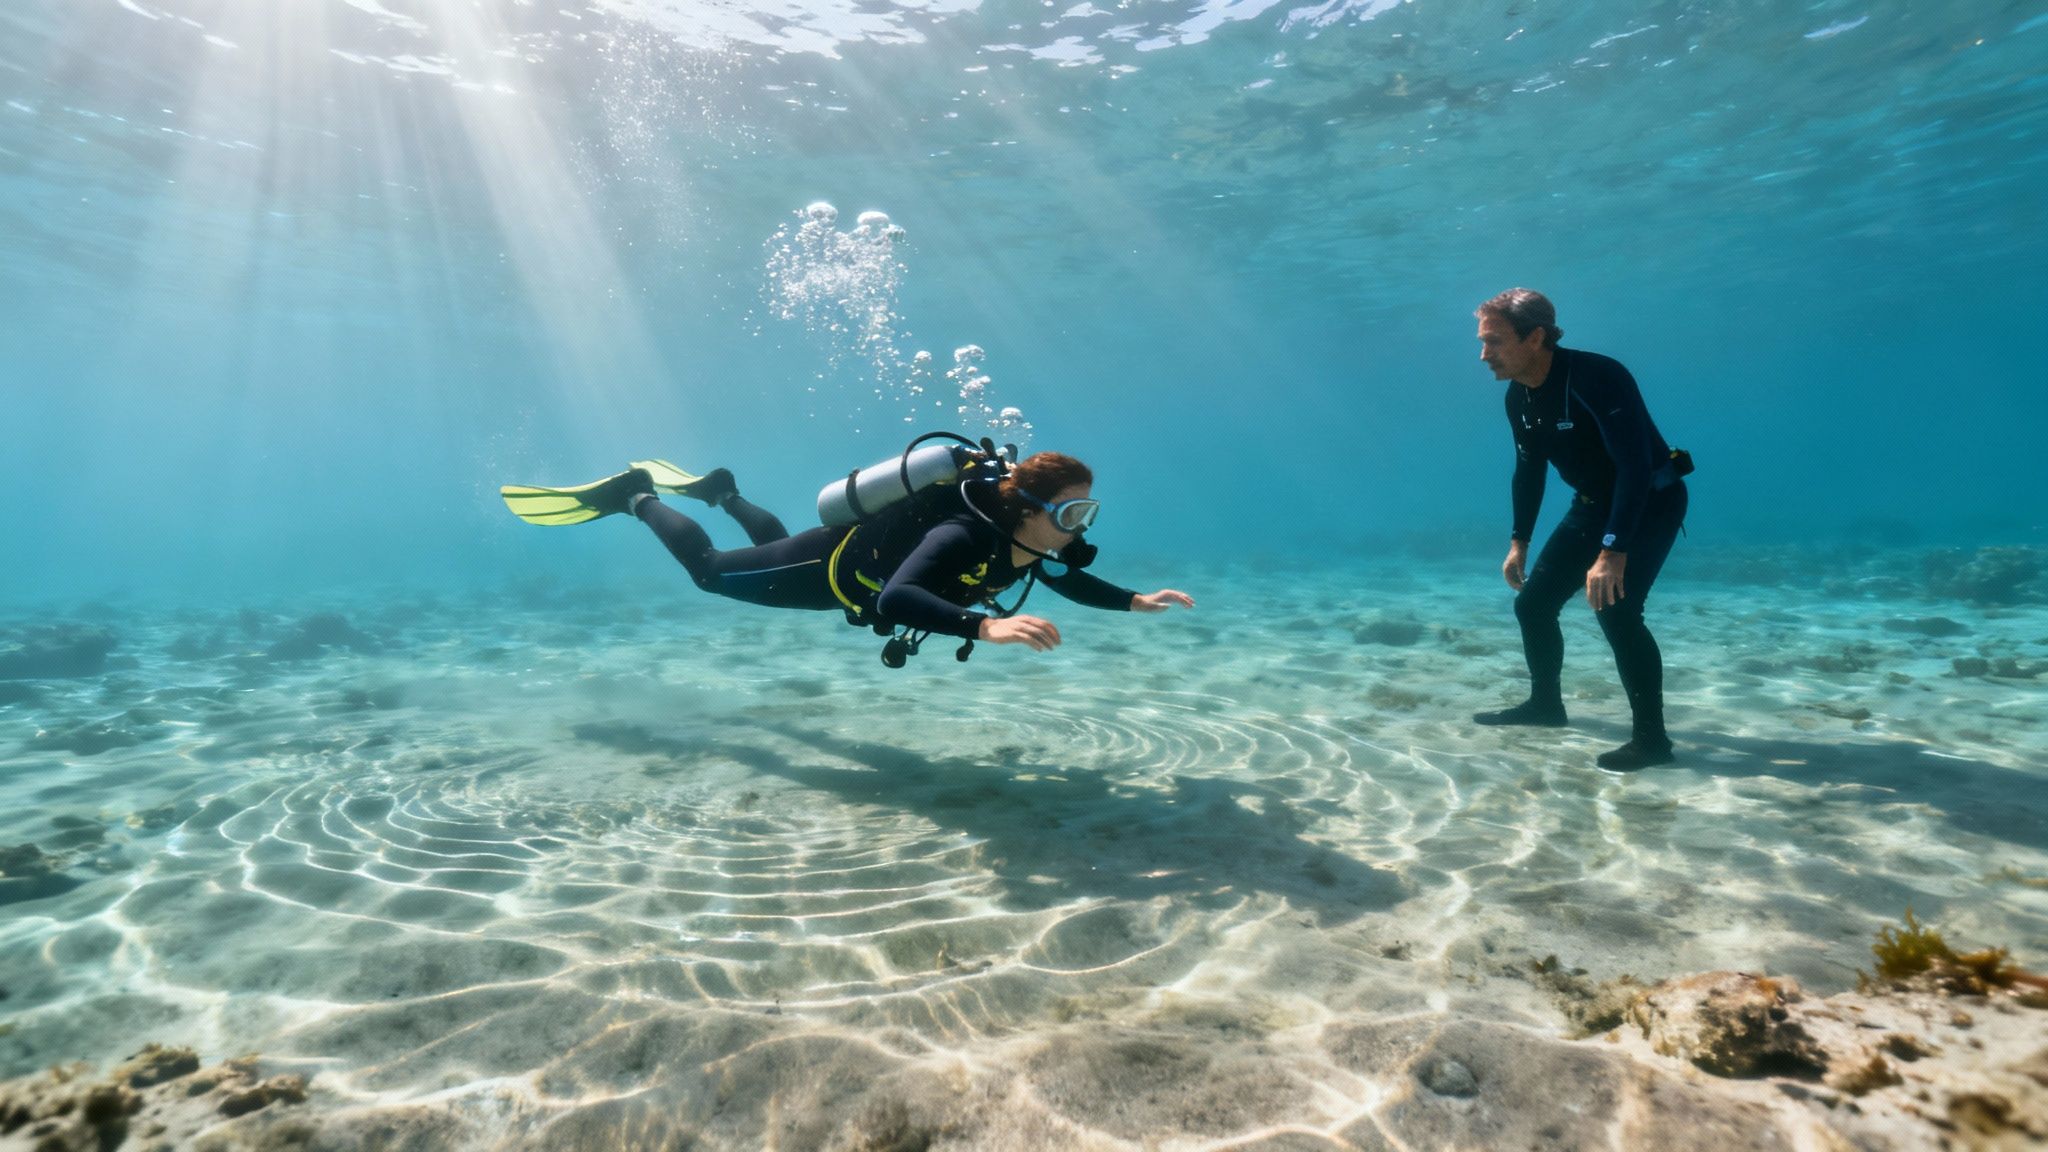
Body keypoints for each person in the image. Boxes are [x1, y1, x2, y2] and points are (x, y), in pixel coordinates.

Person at [503, 447, 1194, 661]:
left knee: (768, 542)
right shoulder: (961, 534)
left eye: (1088, 511)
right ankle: (636, 498)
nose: (1081, 526)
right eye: (1072, 512)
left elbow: (1060, 579)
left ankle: (723, 492)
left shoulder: (1022, 543)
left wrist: (1132, 600)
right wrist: (984, 625)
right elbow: (897, 599)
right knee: (710, 574)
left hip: (839, 560)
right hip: (830, 572)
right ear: (1027, 509)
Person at [1471, 288, 1691, 770]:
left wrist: (1613, 551)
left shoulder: (1598, 377)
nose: (1483, 353)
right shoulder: (1518, 397)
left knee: (1616, 610)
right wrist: (1519, 542)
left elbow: (1634, 468)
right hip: (1592, 506)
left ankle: (1652, 740)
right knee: (1533, 605)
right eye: (1482, 342)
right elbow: (1528, 469)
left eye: (1494, 341)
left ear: (1536, 337)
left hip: (1650, 500)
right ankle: (1546, 706)